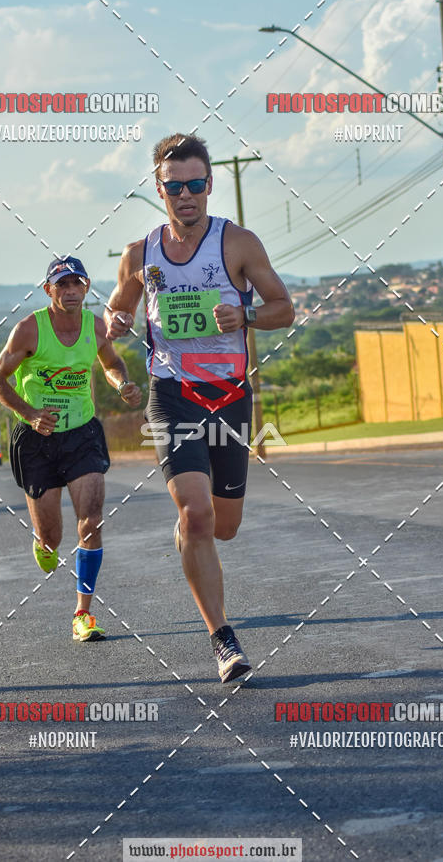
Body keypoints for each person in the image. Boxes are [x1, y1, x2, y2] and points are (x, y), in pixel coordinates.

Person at [105, 134, 294, 682]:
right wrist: (117, 324)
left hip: (230, 396)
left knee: (224, 525)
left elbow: (283, 306)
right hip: (174, 393)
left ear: (209, 185)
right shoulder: (139, 254)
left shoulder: (238, 244)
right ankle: (223, 639)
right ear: (159, 190)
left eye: (195, 185)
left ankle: (194, 536)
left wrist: (249, 318)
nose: (185, 195)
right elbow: (117, 313)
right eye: (174, 187)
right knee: (196, 514)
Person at [0, 257, 141, 641]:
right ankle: (43, 541)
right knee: (53, 536)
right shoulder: (29, 331)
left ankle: (82, 614)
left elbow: (111, 361)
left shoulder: (96, 326)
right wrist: (30, 412)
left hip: (82, 435)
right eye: (62, 284)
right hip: (36, 439)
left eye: (77, 283)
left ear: (87, 288)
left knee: (90, 520)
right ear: (48, 290)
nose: (71, 291)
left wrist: (121, 383)